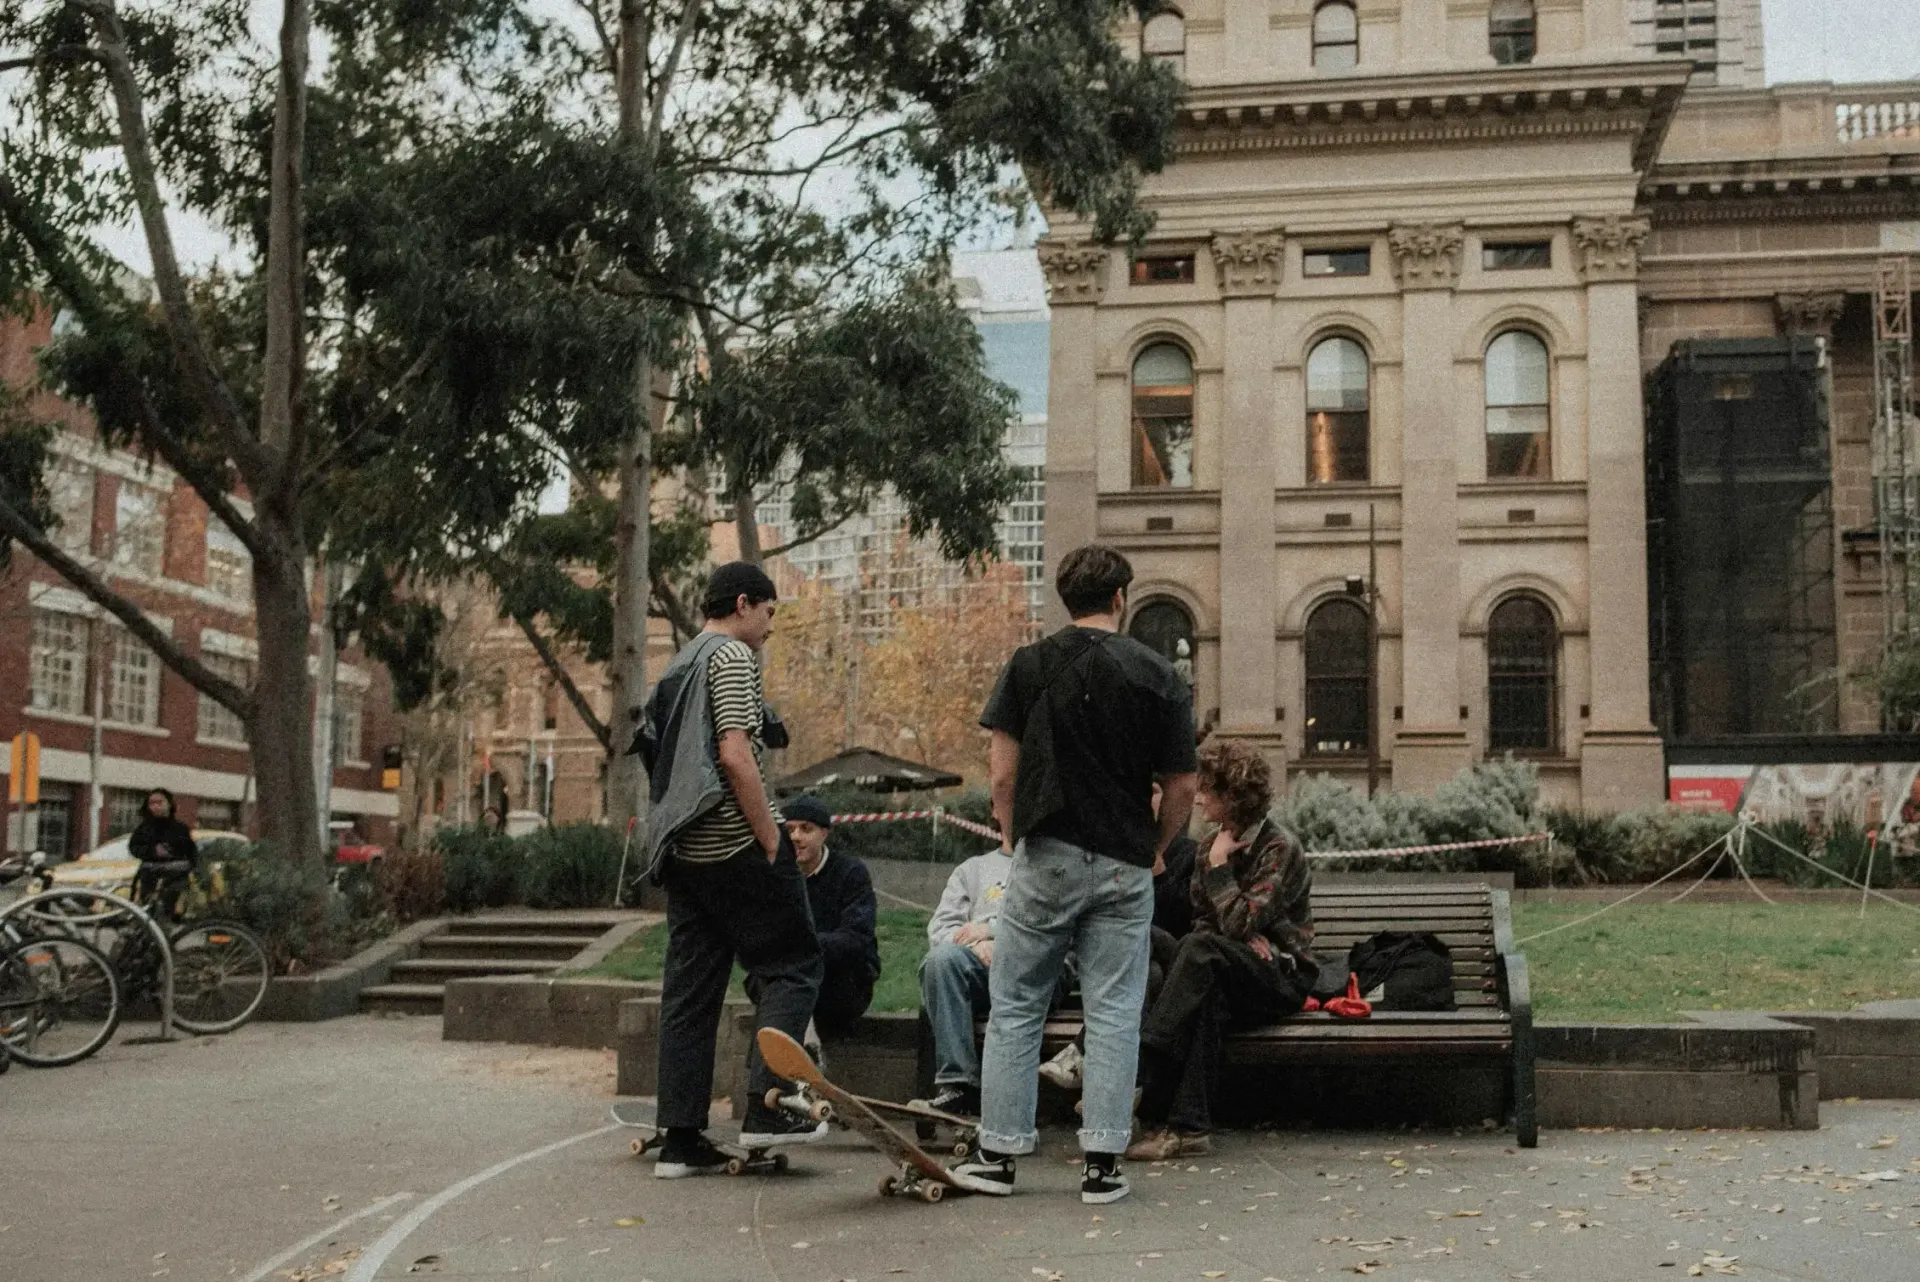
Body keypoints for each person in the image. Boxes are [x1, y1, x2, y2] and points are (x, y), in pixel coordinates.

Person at [951, 544, 1198, 1205]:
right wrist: (1158, 845)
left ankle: (999, 1157)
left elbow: (1002, 776)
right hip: (1123, 862)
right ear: (1121, 598)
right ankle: (1103, 1167)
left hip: (1047, 853)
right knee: (1115, 1012)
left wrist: (1011, 839)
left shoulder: (1028, 667)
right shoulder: (1159, 676)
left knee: (1017, 1006)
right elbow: (1182, 784)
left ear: (1066, 597)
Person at [641, 561, 825, 1179]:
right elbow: (734, 752)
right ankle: (769, 1110)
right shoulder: (731, 659)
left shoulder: (677, 663)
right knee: (793, 964)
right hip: (732, 843)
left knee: (690, 994)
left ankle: (681, 1140)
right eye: (770, 612)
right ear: (744, 604)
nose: (771, 626)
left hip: (683, 854)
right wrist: (772, 840)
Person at [1126, 739, 1316, 1162]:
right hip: (1230, 964)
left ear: (1232, 796)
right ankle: (1189, 1130)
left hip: (1280, 976)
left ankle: (1143, 1060)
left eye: (1207, 790)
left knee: (1202, 953)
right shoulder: (1208, 844)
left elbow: (1230, 924)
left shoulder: (1277, 847)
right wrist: (1236, 931)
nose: (1196, 798)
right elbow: (1208, 923)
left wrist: (1219, 868)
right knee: (1166, 948)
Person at [1039, 781, 1197, 1092]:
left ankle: (1079, 1053)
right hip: (1136, 969)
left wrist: (1159, 872)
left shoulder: (1189, 853)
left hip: (1179, 965)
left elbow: (1185, 922)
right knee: (1144, 975)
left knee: (1137, 937)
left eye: (1152, 791)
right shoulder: (1114, 852)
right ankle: (1125, 1098)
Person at [915, 846, 1015, 1117]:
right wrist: (975, 947)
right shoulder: (972, 869)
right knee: (940, 961)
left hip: (1031, 967)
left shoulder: (1056, 862)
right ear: (995, 807)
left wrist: (994, 935)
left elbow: (1057, 928)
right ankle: (959, 1087)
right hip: (978, 968)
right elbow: (940, 929)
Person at [779, 796, 879, 1036]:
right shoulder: (775, 874)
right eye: (789, 829)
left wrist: (803, 947)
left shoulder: (850, 873)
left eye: (806, 829)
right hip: (786, 975)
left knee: (786, 990)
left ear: (824, 833)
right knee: (773, 981)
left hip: (841, 978)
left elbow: (856, 938)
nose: (795, 837)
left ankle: (796, 1049)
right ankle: (795, 1052)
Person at [128, 788, 197, 916]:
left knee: (168, 913)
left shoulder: (180, 828)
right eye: (152, 803)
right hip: (150, 878)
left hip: (174, 880)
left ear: (169, 804)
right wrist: (152, 852)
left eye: (159, 802)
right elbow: (134, 848)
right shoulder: (144, 828)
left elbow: (191, 853)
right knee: (148, 913)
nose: (155, 806)